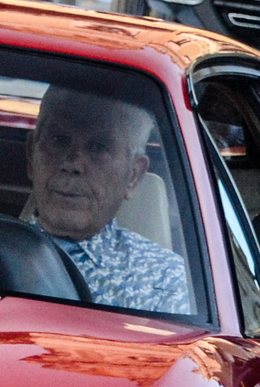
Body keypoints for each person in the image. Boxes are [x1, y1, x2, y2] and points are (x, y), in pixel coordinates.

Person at [26, 86, 195, 315]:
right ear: (31, 154)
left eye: (98, 147)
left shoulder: (164, 280)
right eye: (59, 140)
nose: (73, 163)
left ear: (133, 175)